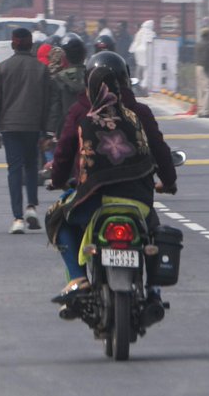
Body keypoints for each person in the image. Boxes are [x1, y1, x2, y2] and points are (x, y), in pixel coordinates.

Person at [46, 51, 176, 305]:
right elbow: (160, 151)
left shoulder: (84, 116)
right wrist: (169, 182)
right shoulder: (137, 114)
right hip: (139, 200)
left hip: (93, 200)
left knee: (58, 218)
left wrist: (57, 179)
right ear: (123, 81)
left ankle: (78, 278)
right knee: (154, 231)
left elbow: (64, 152)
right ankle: (154, 289)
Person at [0, 26, 50, 234]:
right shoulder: (41, 69)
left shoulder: (2, 69)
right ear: (31, 45)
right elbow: (47, 103)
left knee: (14, 168)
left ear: (13, 44)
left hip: (10, 125)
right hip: (33, 125)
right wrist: (46, 131)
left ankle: (17, 218)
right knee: (31, 165)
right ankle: (31, 206)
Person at [195, 27, 209, 117]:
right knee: (208, 89)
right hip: (204, 68)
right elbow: (206, 58)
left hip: (198, 67)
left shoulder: (198, 44)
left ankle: (200, 110)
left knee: (201, 90)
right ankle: (206, 111)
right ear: (207, 35)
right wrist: (208, 70)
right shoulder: (206, 45)